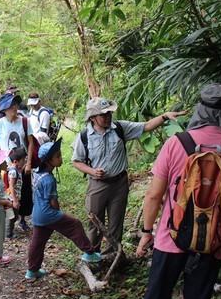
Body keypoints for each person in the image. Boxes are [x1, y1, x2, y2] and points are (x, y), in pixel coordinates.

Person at [123, 84, 221, 299]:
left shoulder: (176, 143)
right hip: (213, 242)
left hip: (170, 237)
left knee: (157, 295)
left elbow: (154, 195)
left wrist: (147, 231)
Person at [71, 98, 187, 254]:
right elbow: (77, 161)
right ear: (92, 118)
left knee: (116, 222)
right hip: (97, 185)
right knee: (95, 221)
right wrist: (92, 171)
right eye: (103, 115)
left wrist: (164, 116)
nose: (108, 117)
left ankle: (113, 255)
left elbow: (145, 127)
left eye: (109, 113)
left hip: (119, 184)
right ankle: (93, 255)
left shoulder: (119, 128)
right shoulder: (84, 136)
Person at [26, 139, 101, 280]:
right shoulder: (49, 179)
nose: (61, 158)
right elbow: (53, 202)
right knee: (75, 224)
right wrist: (59, 214)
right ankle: (89, 253)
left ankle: (32, 271)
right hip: (48, 214)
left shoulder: (37, 173)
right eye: (58, 156)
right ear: (49, 161)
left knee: (37, 243)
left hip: (37, 214)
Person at [0, 92, 35, 231]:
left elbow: (30, 142)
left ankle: (22, 220)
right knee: (8, 192)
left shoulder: (24, 121)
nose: (14, 108)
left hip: (22, 164)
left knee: (25, 191)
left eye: (15, 105)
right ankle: (8, 224)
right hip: (7, 166)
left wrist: (28, 162)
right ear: (4, 109)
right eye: (10, 106)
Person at [5, 147, 29, 238]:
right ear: (16, 161)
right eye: (23, 160)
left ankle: (9, 230)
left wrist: (24, 166)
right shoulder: (13, 172)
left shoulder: (15, 169)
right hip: (12, 198)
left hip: (15, 197)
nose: (24, 161)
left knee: (14, 215)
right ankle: (8, 233)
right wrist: (15, 200)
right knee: (12, 216)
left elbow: (19, 172)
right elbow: (11, 185)